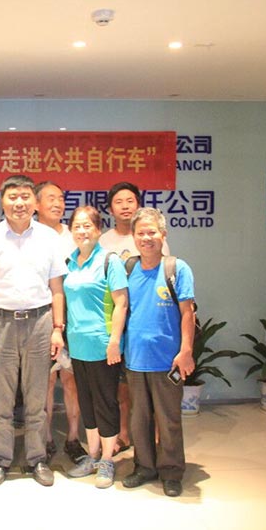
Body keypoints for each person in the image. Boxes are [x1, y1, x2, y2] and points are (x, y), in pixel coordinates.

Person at [0, 175, 67, 488]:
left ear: (35, 202)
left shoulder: (49, 238)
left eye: (25, 196)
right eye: (12, 196)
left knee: (36, 398)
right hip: (0, 323)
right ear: (2, 201)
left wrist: (57, 328)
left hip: (40, 322)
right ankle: (0, 459)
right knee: (1, 401)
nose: (19, 203)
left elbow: (56, 287)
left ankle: (37, 458)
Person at [123, 207, 195, 497]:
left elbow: (187, 312)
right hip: (135, 359)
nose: (146, 238)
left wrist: (186, 351)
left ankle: (171, 471)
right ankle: (144, 467)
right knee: (139, 420)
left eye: (152, 232)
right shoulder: (128, 269)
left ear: (163, 235)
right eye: (141, 233)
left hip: (168, 360)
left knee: (168, 420)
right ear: (133, 236)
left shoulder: (177, 268)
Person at [98, 181, 169, 455]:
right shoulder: (104, 240)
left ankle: (159, 441)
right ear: (110, 209)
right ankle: (124, 435)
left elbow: (165, 275)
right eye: (119, 202)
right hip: (118, 319)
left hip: (148, 316)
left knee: (154, 389)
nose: (125, 206)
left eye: (130, 200)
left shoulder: (152, 235)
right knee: (122, 386)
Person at [63, 205, 128, 489]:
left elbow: (121, 303)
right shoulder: (69, 262)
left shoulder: (109, 261)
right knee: (86, 403)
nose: (82, 231)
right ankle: (92, 455)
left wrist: (114, 341)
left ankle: (108, 460)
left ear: (99, 230)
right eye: (77, 226)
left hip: (103, 345)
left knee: (105, 403)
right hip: (78, 345)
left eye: (87, 225)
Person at [34, 181, 88, 464]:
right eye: (50, 198)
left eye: (61, 198)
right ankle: (45, 438)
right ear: (36, 204)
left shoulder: (73, 235)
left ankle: (73, 438)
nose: (57, 203)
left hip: (74, 317)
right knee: (44, 380)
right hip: (41, 316)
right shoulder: (29, 235)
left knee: (71, 379)